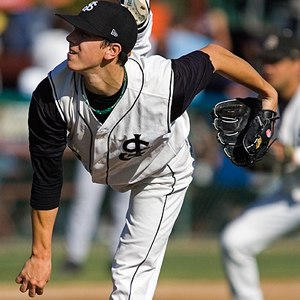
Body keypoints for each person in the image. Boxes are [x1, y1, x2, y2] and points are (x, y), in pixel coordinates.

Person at [15, 1, 277, 299]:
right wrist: (41, 254)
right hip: (109, 165)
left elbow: (214, 56)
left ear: (111, 49)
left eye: (83, 33)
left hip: (162, 169)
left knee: (131, 273)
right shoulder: (51, 95)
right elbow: (47, 177)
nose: (70, 37)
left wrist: (268, 92)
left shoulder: (165, 84)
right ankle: (138, 26)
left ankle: (138, 27)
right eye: (75, 29)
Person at [220, 33, 300, 300]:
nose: (267, 68)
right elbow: (267, 162)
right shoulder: (264, 103)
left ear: (297, 63)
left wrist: (286, 154)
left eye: (276, 61)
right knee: (235, 241)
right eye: (264, 61)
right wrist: (253, 159)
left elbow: (284, 155)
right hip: (291, 197)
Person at [63, 161, 130, 272]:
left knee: (125, 205)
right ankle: (74, 257)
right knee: (85, 200)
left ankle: (120, 256)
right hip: (94, 149)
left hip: (129, 150)